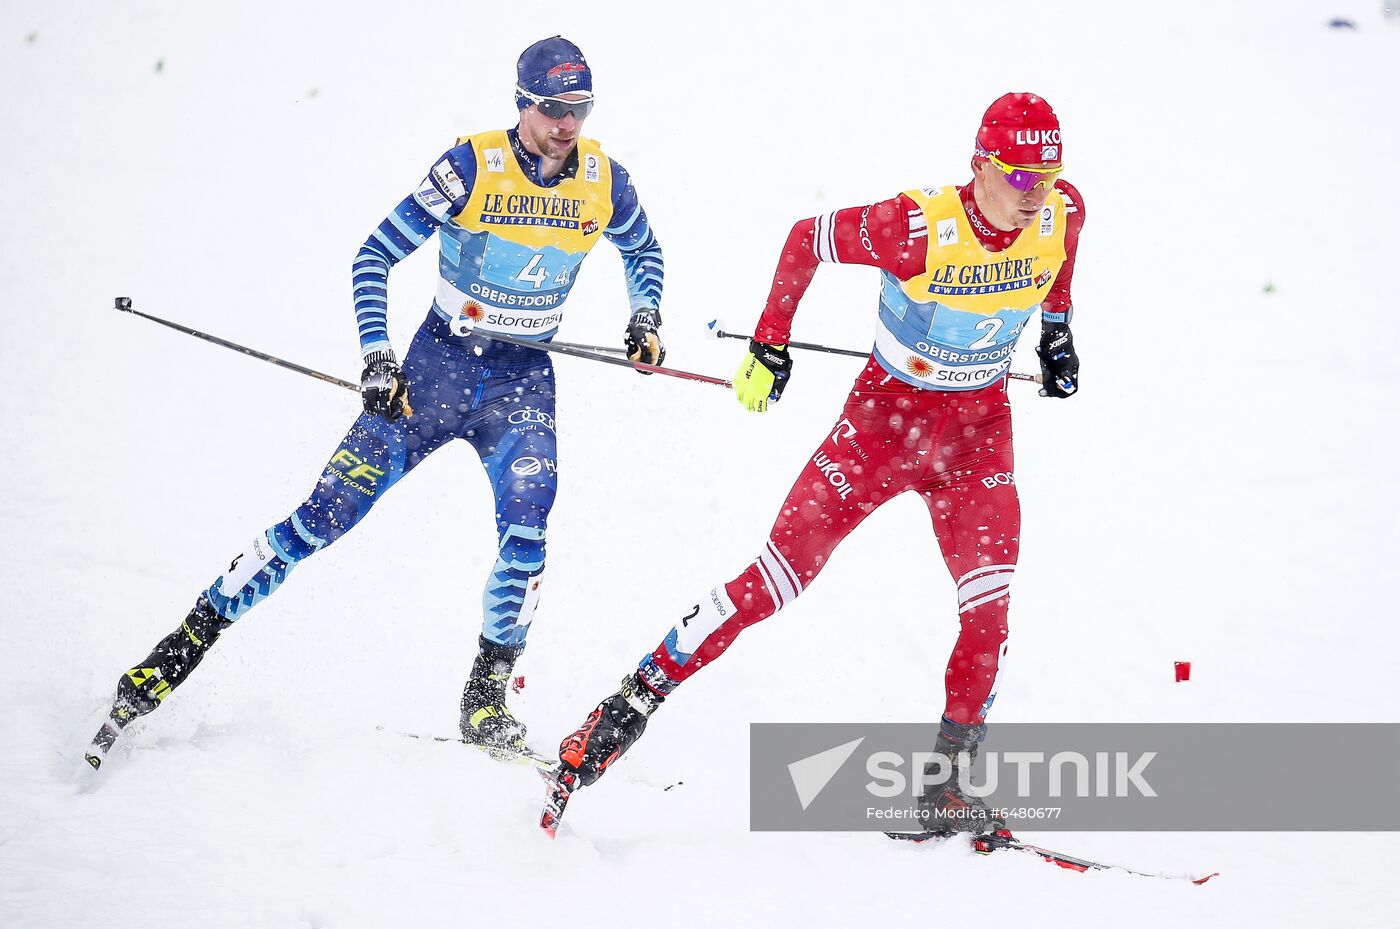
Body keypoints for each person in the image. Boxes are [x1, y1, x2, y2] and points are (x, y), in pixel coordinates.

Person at [86, 36, 666, 768]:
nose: (566, 124)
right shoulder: (468, 167)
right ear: (522, 102)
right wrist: (377, 356)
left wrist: (645, 318)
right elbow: (374, 255)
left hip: (520, 383)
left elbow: (644, 252)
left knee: (529, 531)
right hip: (433, 376)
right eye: (553, 108)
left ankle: (485, 701)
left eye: (579, 108)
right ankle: (172, 655)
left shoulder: (604, 179)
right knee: (321, 520)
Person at [541, 93, 1084, 837]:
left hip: (977, 437)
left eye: (1049, 177)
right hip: (881, 430)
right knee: (773, 580)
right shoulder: (916, 228)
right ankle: (621, 710)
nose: (1037, 195)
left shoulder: (1061, 211)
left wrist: (1057, 334)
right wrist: (770, 341)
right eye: (1022, 177)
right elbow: (806, 239)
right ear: (982, 165)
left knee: (988, 615)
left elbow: (1059, 263)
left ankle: (946, 787)